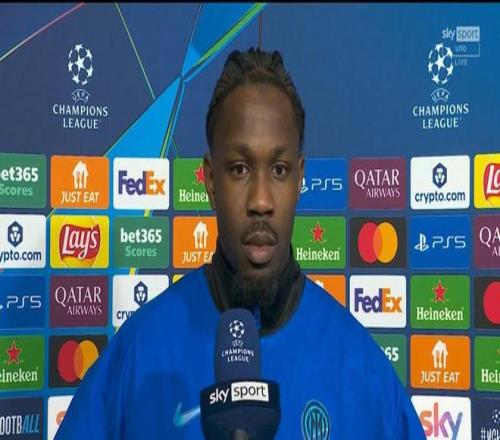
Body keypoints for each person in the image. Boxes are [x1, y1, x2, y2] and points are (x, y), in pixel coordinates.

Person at [56, 48, 426, 439]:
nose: (261, 201)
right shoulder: (137, 357)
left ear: (300, 178)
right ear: (210, 179)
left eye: (279, 170)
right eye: (240, 169)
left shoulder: (363, 372)